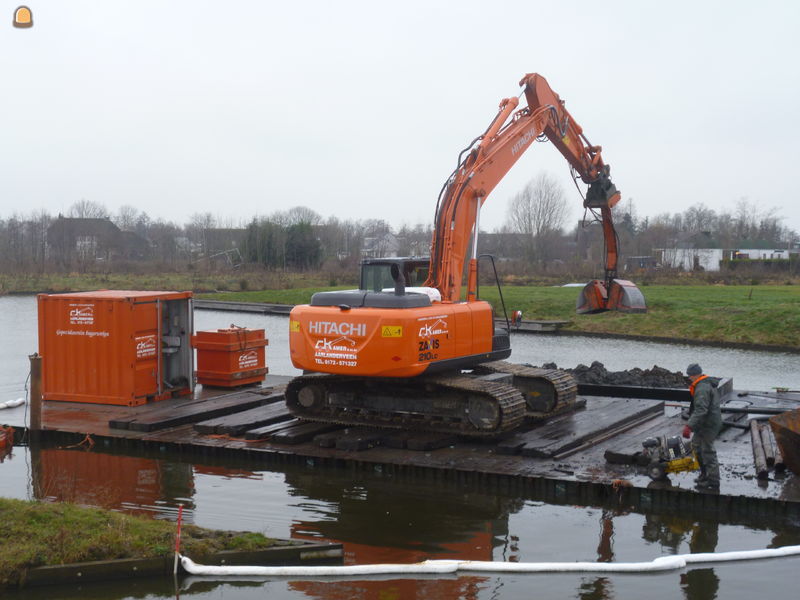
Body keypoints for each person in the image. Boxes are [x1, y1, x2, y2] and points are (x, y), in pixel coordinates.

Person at [682, 363, 723, 491]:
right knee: (696, 447)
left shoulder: (702, 388)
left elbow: (701, 410)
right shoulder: (703, 384)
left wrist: (689, 426)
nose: (689, 378)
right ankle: (704, 474)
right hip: (703, 424)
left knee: (708, 451)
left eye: (690, 375)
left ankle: (713, 482)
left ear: (695, 375)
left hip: (709, 424)